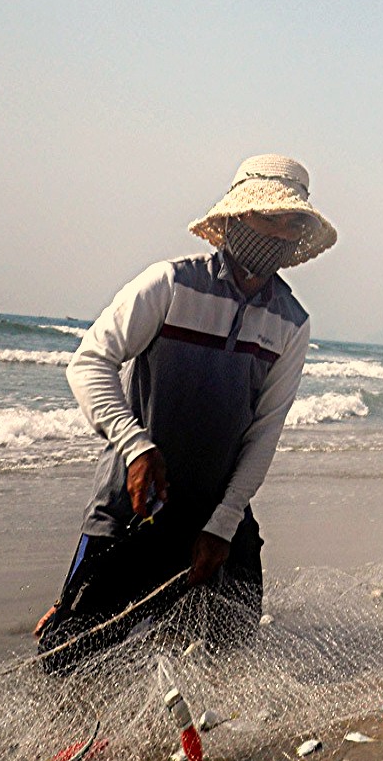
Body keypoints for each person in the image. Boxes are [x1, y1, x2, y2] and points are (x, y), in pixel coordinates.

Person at [36, 155, 335, 673]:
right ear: (237, 218)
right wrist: (136, 447)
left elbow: (264, 433)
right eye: (271, 218)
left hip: (218, 505)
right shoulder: (172, 284)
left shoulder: (291, 322)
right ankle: (72, 604)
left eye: (293, 224)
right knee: (67, 659)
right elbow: (89, 363)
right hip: (136, 502)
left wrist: (223, 523)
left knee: (233, 651)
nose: (282, 234)